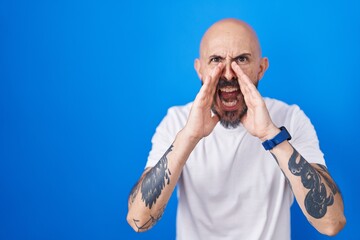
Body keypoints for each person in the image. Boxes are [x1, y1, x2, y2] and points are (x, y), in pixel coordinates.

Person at [126, 18, 346, 239]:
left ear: (261, 68)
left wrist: (271, 135)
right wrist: (189, 137)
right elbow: (139, 220)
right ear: (200, 69)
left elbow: (332, 224)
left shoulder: (290, 118)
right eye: (216, 60)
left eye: (241, 59)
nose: (229, 74)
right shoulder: (176, 121)